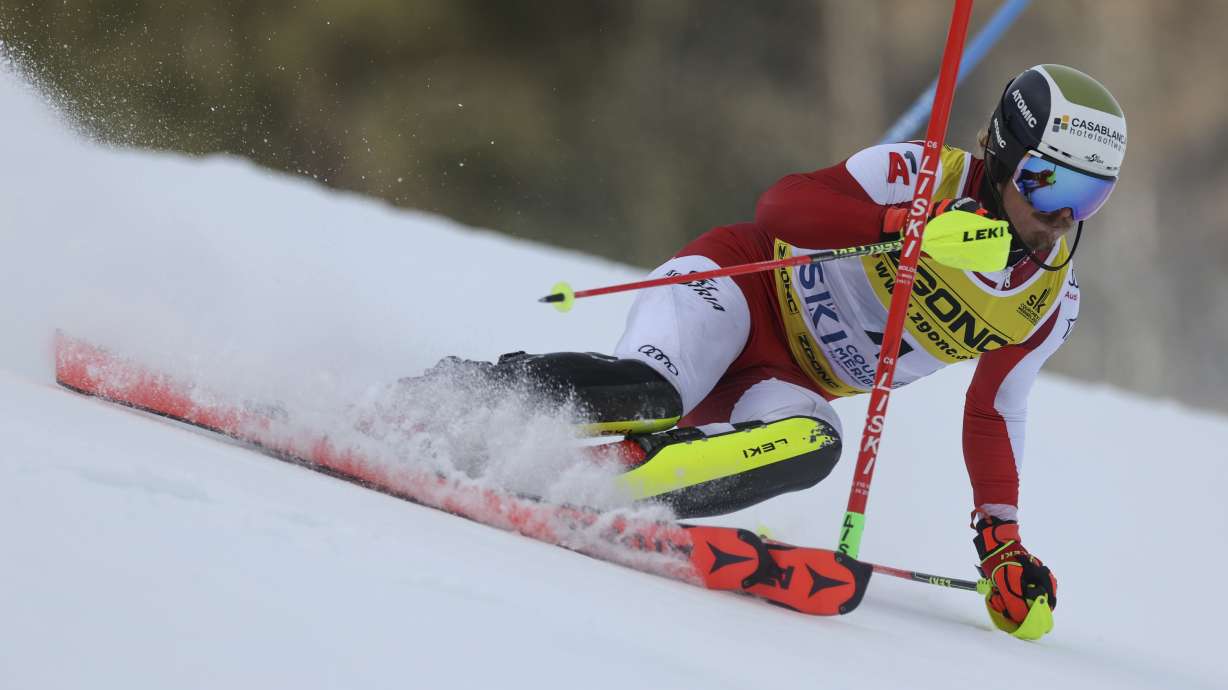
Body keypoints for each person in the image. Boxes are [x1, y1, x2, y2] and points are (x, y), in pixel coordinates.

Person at [419, 64, 1125, 635]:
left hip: (787, 377)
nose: (1061, 218)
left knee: (814, 442)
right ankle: (451, 403)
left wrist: (1000, 542)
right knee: (650, 394)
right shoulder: (922, 176)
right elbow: (781, 206)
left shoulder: (1047, 303)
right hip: (737, 292)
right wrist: (902, 225)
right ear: (1002, 156)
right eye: (1050, 181)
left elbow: (994, 412)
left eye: (1089, 198)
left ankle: (605, 478)